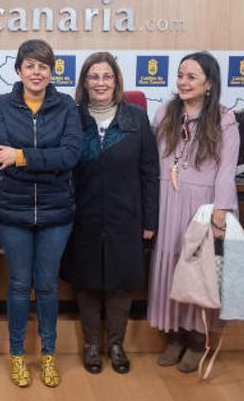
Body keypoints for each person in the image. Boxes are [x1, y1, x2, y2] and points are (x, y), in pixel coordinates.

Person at [0, 39, 82, 388]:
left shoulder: (66, 106)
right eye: (30, 65)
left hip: (56, 213)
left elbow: (70, 155)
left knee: (45, 286)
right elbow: (0, 158)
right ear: (19, 70)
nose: (37, 72)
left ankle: (48, 355)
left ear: (52, 70)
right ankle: (16, 355)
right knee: (17, 284)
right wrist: (45, 163)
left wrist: (23, 157)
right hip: (12, 210)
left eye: (43, 66)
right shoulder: (0, 107)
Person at [60, 52, 159, 375]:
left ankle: (116, 345)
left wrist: (149, 221)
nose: (100, 83)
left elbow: (149, 172)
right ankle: (91, 345)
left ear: (116, 81)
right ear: (84, 82)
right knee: (86, 283)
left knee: (120, 284)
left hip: (125, 217)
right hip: (82, 216)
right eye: (94, 76)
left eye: (107, 76)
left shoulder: (136, 118)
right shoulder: (71, 118)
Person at [146, 51, 240, 374]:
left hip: (204, 206)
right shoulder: (164, 114)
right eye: (181, 76)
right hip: (167, 202)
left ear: (209, 84)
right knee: (172, 266)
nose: (183, 83)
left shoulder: (224, 119)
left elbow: (227, 171)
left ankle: (199, 338)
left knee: (199, 271)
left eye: (192, 77)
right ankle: (175, 336)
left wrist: (221, 212)